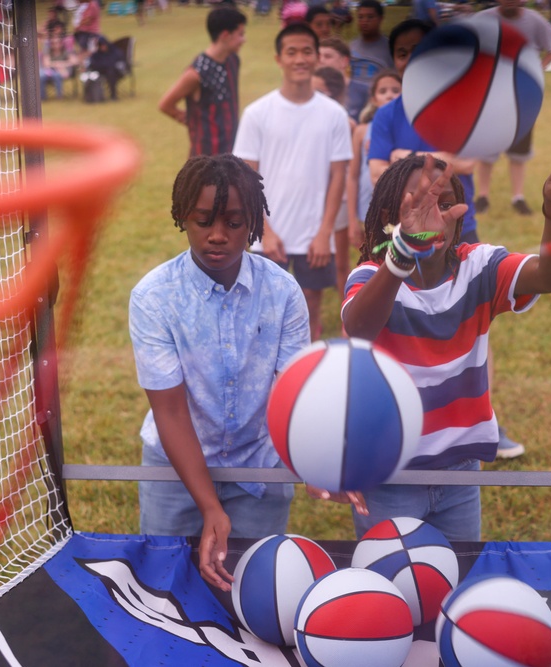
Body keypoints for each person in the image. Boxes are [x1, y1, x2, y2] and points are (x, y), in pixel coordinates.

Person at [336, 154, 551, 540]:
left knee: (458, 578)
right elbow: (360, 327)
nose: (435, 214)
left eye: (447, 202)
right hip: (389, 475)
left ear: (463, 212)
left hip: (460, 473)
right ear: (390, 214)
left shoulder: (479, 267)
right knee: (393, 584)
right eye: (418, 202)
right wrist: (402, 253)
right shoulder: (372, 275)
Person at [129, 154, 310, 592]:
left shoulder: (283, 291)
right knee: (164, 591)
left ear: (252, 222)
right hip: (175, 469)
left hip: (259, 467)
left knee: (254, 594)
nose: (216, 236)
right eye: (202, 220)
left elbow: (295, 396)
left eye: (233, 223)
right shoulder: (154, 297)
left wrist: (319, 464)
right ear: (182, 218)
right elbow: (170, 412)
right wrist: (210, 506)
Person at [369, 18, 529, 459]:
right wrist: (435, 161)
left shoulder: (461, 105)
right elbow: (377, 172)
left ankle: (482, 420)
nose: (411, 59)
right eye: (402, 53)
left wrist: (411, 159)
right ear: (395, 61)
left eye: (421, 51)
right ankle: (402, 421)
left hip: (458, 229)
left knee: (472, 328)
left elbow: (469, 161)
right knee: (398, 329)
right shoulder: (389, 113)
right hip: (399, 237)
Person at [233, 24, 352, 340]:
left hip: (314, 235)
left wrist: (325, 231)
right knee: (262, 317)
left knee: (310, 312)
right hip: (269, 236)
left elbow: (338, 175)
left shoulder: (334, 114)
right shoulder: (257, 113)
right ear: (278, 58)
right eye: (292, 52)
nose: (300, 59)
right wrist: (265, 231)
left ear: (317, 58)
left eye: (307, 51)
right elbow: (245, 178)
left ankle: (304, 381)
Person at [475, 0, 551, 216]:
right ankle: (482, 196)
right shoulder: (483, 20)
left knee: (519, 150)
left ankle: (518, 197)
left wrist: (541, 66)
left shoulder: (533, 20)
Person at [158, 6, 246, 158]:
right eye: (240, 34)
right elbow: (166, 105)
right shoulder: (196, 74)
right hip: (205, 159)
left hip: (231, 154)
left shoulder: (233, 60)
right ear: (225, 35)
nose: (243, 40)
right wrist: (192, 121)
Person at [312, 65, 357, 296]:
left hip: (338, 197)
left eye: (317, 91)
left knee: (340, 261)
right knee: (309, 258)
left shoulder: (346, 124)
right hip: (312, 195)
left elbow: (352, 166)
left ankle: (345, 307)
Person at [347, 69, 401, 254]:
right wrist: (352, 219)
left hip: (397, 210)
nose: (389, 95)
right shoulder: (362, 131)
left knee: (395, 253)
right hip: (368, 207)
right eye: (383, 91)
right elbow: (352, 176)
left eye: (395, 90)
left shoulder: (406, 129)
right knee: (371, 255)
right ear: (373, 98)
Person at [349, 0, 393, 103]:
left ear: (380, 19)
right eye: (360, 17)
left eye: (370, 17)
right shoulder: (352, 46)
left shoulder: (389, 48)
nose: (364, 21)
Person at [319, 36, 368, 121]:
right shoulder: (310, 92)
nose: (321, 61)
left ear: (344, 61)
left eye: (327, 56)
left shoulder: (365, 91)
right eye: (318, 56)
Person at [40, 30, 77, 100]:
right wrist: (58, 64)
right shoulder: (48, 51)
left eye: (57, 43)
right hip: (49, 71)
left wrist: (60, 64)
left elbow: (74, 61)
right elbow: (46, 63)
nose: (55, 45)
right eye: (53, 43)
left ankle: (59, 95)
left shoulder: (66, 51)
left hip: (62, 71)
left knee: (57, 75)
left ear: (61, 43)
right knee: (41, 76)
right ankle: (42, 97)